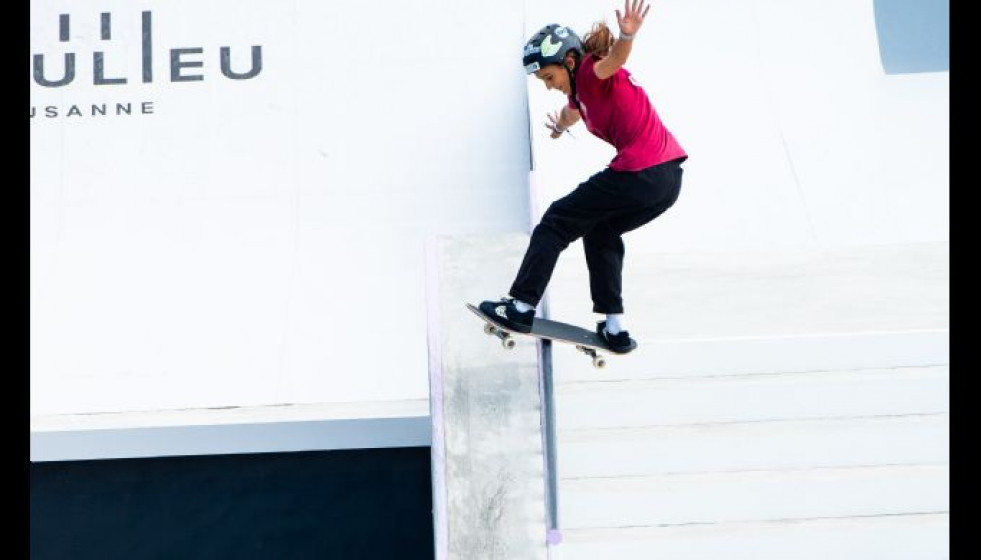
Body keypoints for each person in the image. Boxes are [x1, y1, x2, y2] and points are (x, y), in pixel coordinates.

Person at [479, 0, 687, 354]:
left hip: (640, 171)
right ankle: (615, 327)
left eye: (549, 77)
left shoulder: (591, 71)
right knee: (601, 231)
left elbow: (616, 60)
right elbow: (572, 111)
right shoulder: (581, 92)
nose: (548, 85)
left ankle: (520, 307)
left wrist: (626, 35)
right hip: (666, 181)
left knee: (556, 222)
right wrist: (560, 125)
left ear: (570, 62)